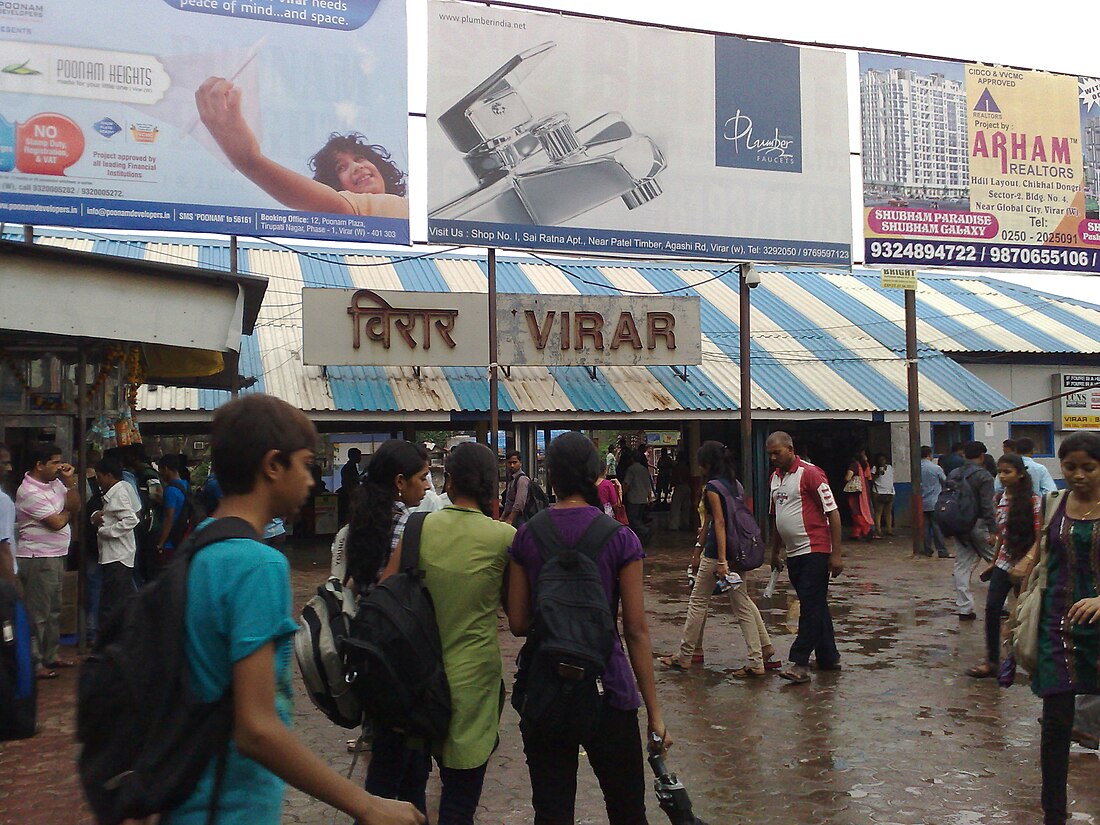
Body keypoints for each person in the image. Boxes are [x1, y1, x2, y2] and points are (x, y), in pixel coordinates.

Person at [162, 394, 424, 825]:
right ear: (272, 466)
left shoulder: (203, 543)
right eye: (305, 464)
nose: (311, 480)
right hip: (229, 805)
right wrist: (366, 804)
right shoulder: (257, 564)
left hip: (186, 793)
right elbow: (257, 730)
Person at [506, 432, 670, 824]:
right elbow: (635, 631)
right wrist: (655, 712)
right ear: (597, 474)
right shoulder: (620, 538)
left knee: (552, 811)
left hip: (545, 688)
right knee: (627, 810)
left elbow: (516, 623)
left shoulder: (528, 535)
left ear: (552, 476)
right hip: (607, 688)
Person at [375, 443, 515, 824]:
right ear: (492, 486)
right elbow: (518, 619)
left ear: (448, 482)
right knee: (458, 803)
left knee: (411, 791)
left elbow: (383, 599)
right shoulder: (505, 538)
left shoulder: (419, 526)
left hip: (416, 683)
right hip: (471, 688)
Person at [335, 441, 431, 810]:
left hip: (369, 646)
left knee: (390, 753)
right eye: (422, 478)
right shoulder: (410, 523)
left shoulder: (360, 521)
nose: (427, 485)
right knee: (403, 765)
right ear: (399, 481)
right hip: (401, 651)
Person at [196, 77, 409, 219]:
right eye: (340, 168)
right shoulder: (356, 209)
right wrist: (250, 162)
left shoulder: (415, 215)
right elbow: (336, 204)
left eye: (360, 158)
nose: (356, 167)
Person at [658, 441, 780, 677]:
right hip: (737, 552)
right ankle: (762, 651)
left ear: (707, 463)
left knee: (698, 602)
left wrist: (719, 559)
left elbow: (717, 523)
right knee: (743, 602)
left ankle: (685, 655)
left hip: (717, 554)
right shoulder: (735, 485)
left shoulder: (712, 488)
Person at [1031, 432, 1100, 825]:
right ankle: (1053, 813)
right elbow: (1042, 561)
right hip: (1058, 627)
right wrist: (1020, 618)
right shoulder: (1053, 502)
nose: (1077, 475)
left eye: (1088, 468)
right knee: (1056, 724)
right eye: (1070, 467)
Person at [766, 432, 843, 685]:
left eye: (777, 452)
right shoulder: (775, 479)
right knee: (816, 604)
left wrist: (836, 554)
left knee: (809, 606)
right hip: (793, 553)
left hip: (815, 550)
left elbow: (833, 513)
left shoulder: (811, 474)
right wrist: (775, 551)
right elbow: (776, 518)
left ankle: (799, 662)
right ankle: (828, 657)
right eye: (770, 454)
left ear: (790, 449)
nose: (773, 457)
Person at [965, 453, 1040, 679]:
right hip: (1004, 563)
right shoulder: (1000, 499)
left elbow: (1040, 537)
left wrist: (1026, 563)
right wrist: (993, 562)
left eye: (1008, 472)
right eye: (1000, 472)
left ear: (1020, 474)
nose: (1003, 476)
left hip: (1027, 566)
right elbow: (1002, 535)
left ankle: (1032, 661)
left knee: (1027, 614)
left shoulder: (1033, 501)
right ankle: (992, 660)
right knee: (992, 609)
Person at [15, 443, 80, 680]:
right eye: (54, 462)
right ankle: (35, 661)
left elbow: (75, 505)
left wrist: (69, 482)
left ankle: (51, 654)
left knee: (54, 611)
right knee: (38, 613)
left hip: (55, 555)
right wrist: (66, 513)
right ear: (39, 465)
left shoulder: (55, 484)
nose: (59, 466)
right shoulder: (28, 491)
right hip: (38, 557)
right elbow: (56, 522)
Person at [90, 456, 140, 630]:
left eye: (99, 476)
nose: (98, 480)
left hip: (117, 555)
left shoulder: (118, 493)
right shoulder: (113, 494)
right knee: (115, 600)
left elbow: (131, 519)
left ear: (109, 475)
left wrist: (107, 532)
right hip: (114, 554)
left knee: (112, 603)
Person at [950, 441, 996, 621]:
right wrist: (994, 531)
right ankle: (1001, 605)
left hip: (959, 524)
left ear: (963, 455)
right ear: (982, 456)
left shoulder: (954, 473)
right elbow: (987, 506)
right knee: (998, 562)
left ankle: (964, 607)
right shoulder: (984, 476)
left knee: (961, 565)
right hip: (979, 525)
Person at [155, 453, 191, 567]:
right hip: (183, 537)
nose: (160, 474)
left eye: (160, 470)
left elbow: (169, 517)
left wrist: (161, 543)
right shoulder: (185, 485)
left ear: (166, 468)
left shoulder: (170, 490)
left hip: (171, 542)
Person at [920, 446, 950, 558]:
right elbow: (945, 481)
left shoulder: (916, 468)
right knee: (937, 527)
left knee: (925, 528)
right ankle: (942, 550)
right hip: (935, 501)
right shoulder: (936, 468)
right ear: (929, 454)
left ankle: (927, 550)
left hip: (922, 502)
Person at [621, 447, 654, 544]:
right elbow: (648, 484)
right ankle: (639, 538)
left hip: (633, 498)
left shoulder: (631, 470)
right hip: (643, 498)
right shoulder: (644, 469)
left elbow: (627, 483)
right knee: (639, 519)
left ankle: (645, 531)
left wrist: (622, 494)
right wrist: (649, 497)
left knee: (632, 519)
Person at [843, 449, 875, 541]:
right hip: (864, 490)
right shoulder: (865, 465)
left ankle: (866, 530)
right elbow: (869, 477)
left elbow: (848, 477)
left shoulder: (854, 465)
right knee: (862, 510)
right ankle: (856, 532)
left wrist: (845, 479)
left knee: (856, 511)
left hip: (855, 492)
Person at [0, 444, 18, 589]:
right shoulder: (2, 500)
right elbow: (3, 548)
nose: (9, 468)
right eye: (4, 463)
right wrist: (13, 588)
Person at [501, 451, 532, 527]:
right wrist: (502, 518)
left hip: (521, 518)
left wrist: (510, 520)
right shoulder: (512, 479)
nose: (512, 465)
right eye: (509, 463)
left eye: (515, 462)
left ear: (520, 463)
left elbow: (519, 503)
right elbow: (509, 503)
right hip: (513, 517)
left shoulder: (522, 479)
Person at [666, 449, 693, 532]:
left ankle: (674, 525)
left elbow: (674, 478)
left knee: (675, 506)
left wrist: (670, 486)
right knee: (686, 507)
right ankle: (685, 523)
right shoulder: (688, 467)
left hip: (679, 486)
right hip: (687, 486)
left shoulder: (677, 467)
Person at [871, 453, 895, 538]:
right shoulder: (874, 468)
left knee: (888, 512)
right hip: (879, 491)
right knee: (878, 512)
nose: (882, 462)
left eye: (884, 460)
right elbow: (872, 479)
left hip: (889, 492)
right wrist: (878, 472)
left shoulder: (890, 467)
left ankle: (889, 529)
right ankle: (878, 529)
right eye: (880, 460)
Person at [596, 460, 627, 525]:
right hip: (607, 517)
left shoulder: (588, 485)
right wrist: (620, 491)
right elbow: (615, 504)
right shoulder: (607, 484)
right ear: (604, 471)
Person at [338, 447, 363, 526]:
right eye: (358, 455)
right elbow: (352, 481)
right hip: (349, 494)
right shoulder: (349, 468)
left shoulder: (352, 467)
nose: (360, 458)